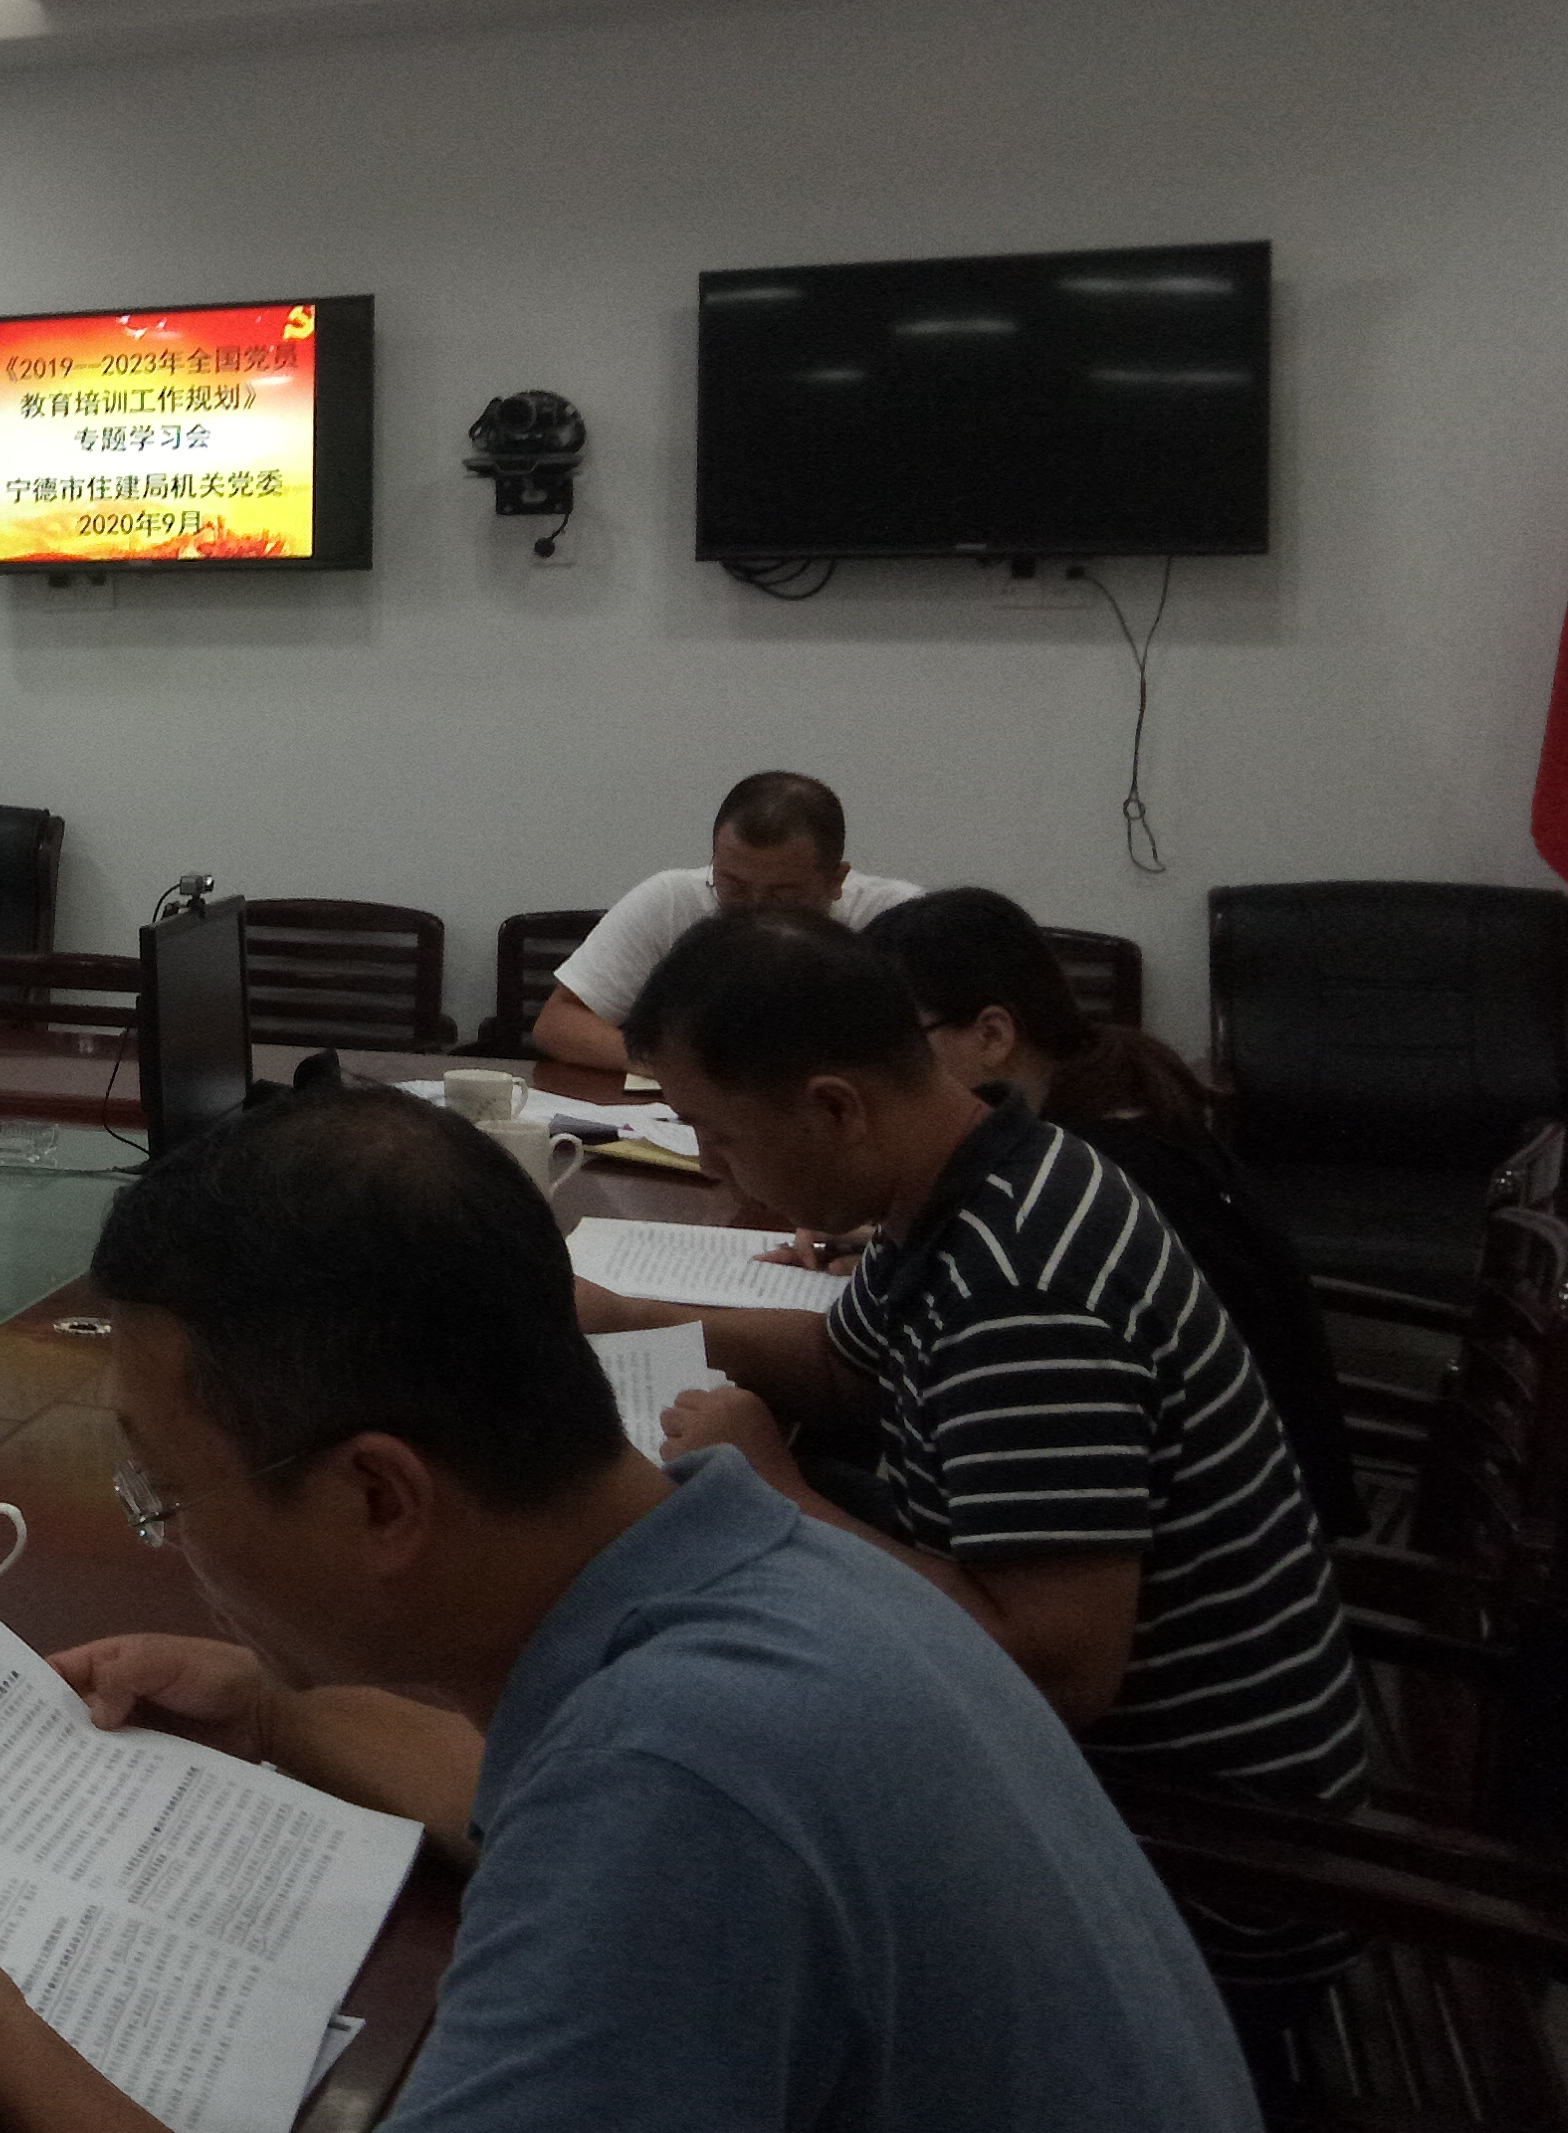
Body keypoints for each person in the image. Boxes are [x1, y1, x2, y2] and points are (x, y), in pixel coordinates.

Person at [0, 1085, 1291, 2133]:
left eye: (165, 1491)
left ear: (380, 1498)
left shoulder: (678, 1779)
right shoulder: (761, 1569)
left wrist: (11, 2071)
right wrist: (272, 1710)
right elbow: (542, 1803)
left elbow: (641, 1831)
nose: (166, 1535)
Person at [594, 908, 1366, 1991]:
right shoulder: (987, 1169)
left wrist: (774, 1493)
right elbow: (844, 1368)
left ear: (835, 1108)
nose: (720, 1167)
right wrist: (619, 1316)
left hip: (1202, 1872)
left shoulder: (1020, 1292)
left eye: (717, 1134)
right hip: (1123, 1784)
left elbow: (1056, 1671)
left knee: (675, 1841)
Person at [860, 887, 1361, 1541]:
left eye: (893, 1044)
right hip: (1228, 1492)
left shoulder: (1076, 1185)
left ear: (993, 1036)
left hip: (1240, 1530)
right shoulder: (1101, 1092)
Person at [532, 771, 920, 1073]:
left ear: (836, 880)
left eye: (782, 895)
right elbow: (560, 1024)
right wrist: (681, 1070)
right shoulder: (673, 900)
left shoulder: (900, 920)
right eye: (733, 886)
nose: (754, 911)